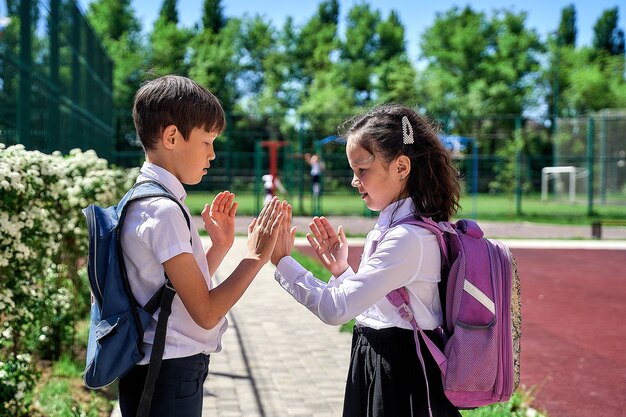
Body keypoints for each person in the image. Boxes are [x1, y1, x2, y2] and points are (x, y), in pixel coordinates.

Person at [270, 104, 462, 417]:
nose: (354, 181)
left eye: (362, 170)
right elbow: (378, 308)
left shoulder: (408, 238)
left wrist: (282, 261)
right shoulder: (396, 226)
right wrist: (343, 272)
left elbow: (337, 310)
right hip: (382, 362)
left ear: (401, 167)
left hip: (401, 376)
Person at [118, 74, 284, 417]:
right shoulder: (163, 211)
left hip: (157, 371)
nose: (212, 154)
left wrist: (220, 246)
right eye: (207, 141)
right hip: (167, 375)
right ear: (172, 137)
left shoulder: (147, 198)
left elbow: (173, 291)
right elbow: (206, 313)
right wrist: (255, 257)